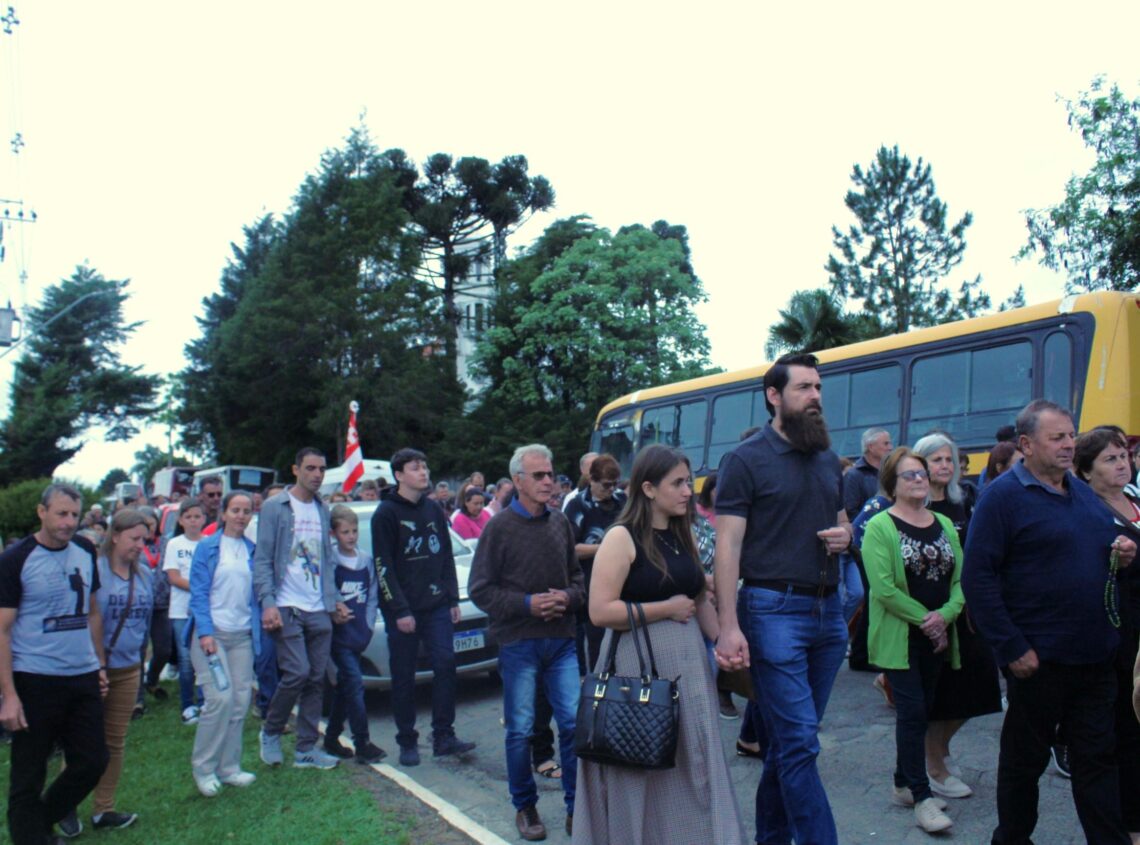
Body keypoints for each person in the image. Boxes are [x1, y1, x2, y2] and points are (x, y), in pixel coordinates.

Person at [962, 399, 1137, 845]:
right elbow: (977, 578)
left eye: (1071, 435)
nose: (1068, 444)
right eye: (1057, 437)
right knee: (1025, 763)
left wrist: (1123, 552)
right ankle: (1013, 839)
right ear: (1026, 444)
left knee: (1097, 760)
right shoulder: (1002, 497)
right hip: (1038, 662)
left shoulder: (1079, 491)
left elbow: (1103, 544)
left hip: (1096, 657)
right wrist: (1011, 647)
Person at [573, 444, 747, 844]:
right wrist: (664, 608)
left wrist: (724, 640)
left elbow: (697, 598)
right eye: (679, 483)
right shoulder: (621, 537)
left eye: (689, 482)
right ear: (648, 488)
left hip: (688, 667)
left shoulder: (680, 532)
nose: (689, 491)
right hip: (638, 666)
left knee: (692, 762)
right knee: (641, 762)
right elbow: (600, 611)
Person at [714, 352, 851, 845]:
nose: (815, 396)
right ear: (774, 396)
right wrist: (728, 626)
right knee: (798, 743)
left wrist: (846, 536)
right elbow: (727, 547)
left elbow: (842, 520)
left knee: (787, 747)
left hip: (828, 613)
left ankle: (770, 839)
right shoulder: (745, 460)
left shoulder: (826, 459)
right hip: (772, 612)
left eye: (818, 387)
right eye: (804, 388)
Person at [469, 444, 584, 842]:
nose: (549, 481)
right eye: (539, 475)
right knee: (520, 730)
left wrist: (567, 598)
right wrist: (527, 604)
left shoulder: (561, 523)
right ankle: (525, 805)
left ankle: (575, 808)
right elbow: (480, 590)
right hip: (518, 642)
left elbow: (578, 580)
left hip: (561, 641)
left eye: (550, 474)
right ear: (518, 481)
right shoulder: (498, 528)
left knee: (572, 724)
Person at [862, 448, 964, 834]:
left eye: (922, 473)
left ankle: (903, 781)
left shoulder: (941, 522)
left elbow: (959, 580)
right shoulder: (880, 526)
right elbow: (884, 590)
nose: (920, 479)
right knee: (913, 712)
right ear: (892, 484)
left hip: (937, 636)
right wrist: (928, 620)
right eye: (910, 475)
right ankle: (922, 797)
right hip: (901, 637)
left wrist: (946, 617)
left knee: (926, 708)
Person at [0, 484, 110, 845]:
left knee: (92, 760)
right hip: (35, 677)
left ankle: (35, 826)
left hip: (81, 674)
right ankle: (31, 838)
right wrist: (9, 696)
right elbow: (2, 630)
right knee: (28, 772)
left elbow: (93, 612)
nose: (68, 522)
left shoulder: (84, 549)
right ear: (41, 512)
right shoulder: (16, 559)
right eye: (61, 514)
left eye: (74, 515)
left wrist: (99, 665)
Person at [912, 432, 1001, 799]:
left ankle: (940, 749)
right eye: (937, 460)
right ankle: (933, 764)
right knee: (943, 693)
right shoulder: (913, 506)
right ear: (921, 464)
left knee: (980, 687)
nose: (945, 466)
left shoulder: (963, 499)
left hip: (966, 608)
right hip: (932, 612)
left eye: (949, 459)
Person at [373, 448, 474, 766]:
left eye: (425, 466)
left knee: (445, 664)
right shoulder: (386, 514)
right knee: (403, 675)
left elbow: (445, 556)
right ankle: (407, 740)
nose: (423, 472)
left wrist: (452, 599)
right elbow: (383, 565)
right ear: (399, 475)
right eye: (416, 467)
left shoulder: (433, 509)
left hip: (436, 606)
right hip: (402, 609)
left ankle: (444, 735)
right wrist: (400, 610)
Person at [254, 447, 346, 770]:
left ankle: (306, 749)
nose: (317, 475)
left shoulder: (322, 508)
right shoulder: (274, 507)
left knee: (316, 679)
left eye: (321, 469)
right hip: (287, 604)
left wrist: (333, 599)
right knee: (297, 672)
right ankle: (271, 729)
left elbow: (327, 558)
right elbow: (263, 559)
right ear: (296, 470)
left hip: (317, 605)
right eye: (310, 468)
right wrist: (268, 603)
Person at [1074, 427, 1140, 842]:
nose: (1122, 464)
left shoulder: (1134, 500)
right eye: (1110, 459)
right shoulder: (1089, 512)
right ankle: (1130, 823)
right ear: (1085, 472)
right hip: (1121, 632)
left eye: (1123, 456)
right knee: (1128, 727)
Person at [77, 509, 153, 831]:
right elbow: (82, 620)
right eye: (134, 539)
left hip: (129, 667)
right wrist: (95, 664)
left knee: (114, 741)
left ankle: (103, 809)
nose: (140, 545)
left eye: (144, 539)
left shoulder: (145, 572)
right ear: (116, 535)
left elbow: (146, 618)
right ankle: (66, 804)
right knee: (82, 741)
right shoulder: (93, 571)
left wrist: (143, 655)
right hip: (94, 669)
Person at [187, 491, 260, 796]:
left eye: (246, 511)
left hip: (242, 636)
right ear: (224, 513)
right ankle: (203, 768)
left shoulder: (252, 550)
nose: (241, 516)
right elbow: (198, 593)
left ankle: (229, 768)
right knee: (219, 699)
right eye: (235, 510)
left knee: (240, 701)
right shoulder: (207, 547)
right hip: (212, 636)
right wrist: (205, 633)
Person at [322, 505, 385, 765]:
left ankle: (332, 736)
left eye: (354, 531)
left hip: (359, 631)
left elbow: (372, 594)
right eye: (345, 532)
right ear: (334, 533)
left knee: (346, 688)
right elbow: (327, 591)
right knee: (355, 684)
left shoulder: (366, 560)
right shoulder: (331, 562)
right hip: (339, 636)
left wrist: (368, 625)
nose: (351, 536)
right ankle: (362, 742)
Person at [563, 453, 625, 669]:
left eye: (615, 484)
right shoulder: (577, 506)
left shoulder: (621, 501)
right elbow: (571, 549)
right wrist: (606, 548)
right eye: (606, 485)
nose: (611, 490)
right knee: (599, 646)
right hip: (594, 585)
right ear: (592, 480)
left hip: (625, 583)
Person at [164, 498, 206, 725]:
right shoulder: (175, 545)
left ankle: (204, 701)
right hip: (181, 610)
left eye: (197, 516)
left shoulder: (208, 543)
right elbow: (173, 577)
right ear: (181, 520)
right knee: (186, 659)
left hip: (204, 609)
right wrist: (199, 588)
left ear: (204, 519)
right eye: (188, 517)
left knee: (206, 657)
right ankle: (187, 705)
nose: (193, 521)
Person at [844, 427, 892, 520]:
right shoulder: (853, 475)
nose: (890, 447)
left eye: (890, 443)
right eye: (886, 443)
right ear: (871, 447)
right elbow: (850, 511)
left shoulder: (892, 472)